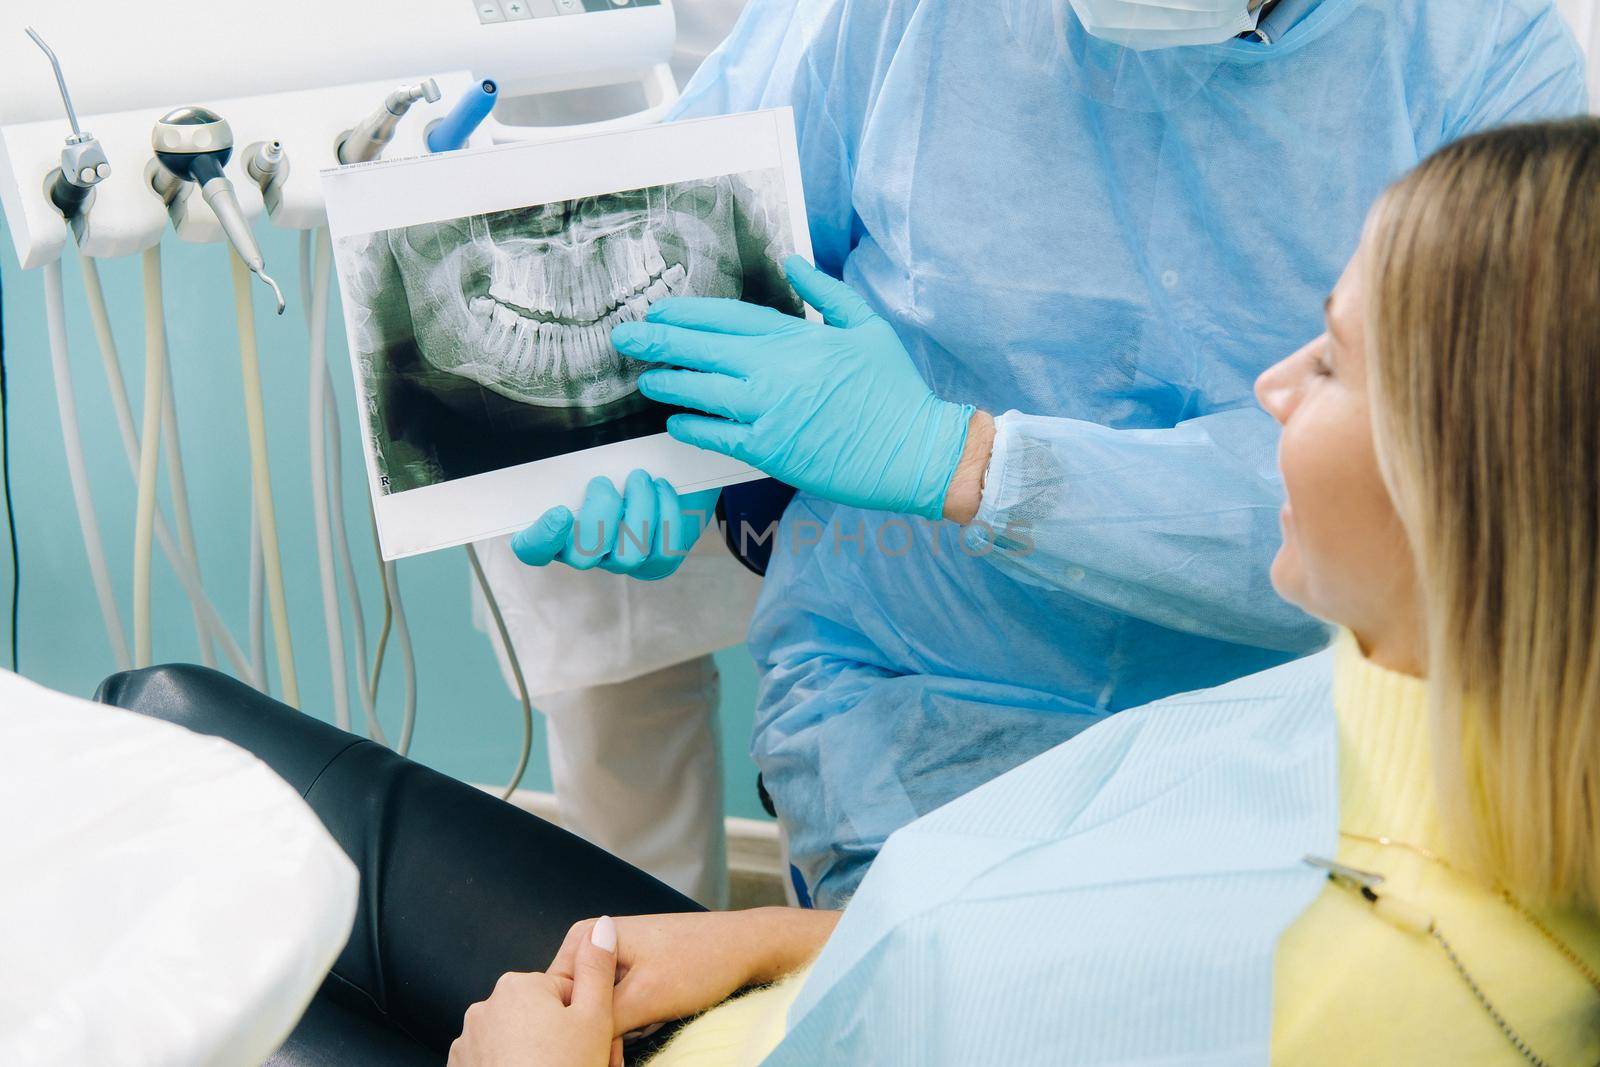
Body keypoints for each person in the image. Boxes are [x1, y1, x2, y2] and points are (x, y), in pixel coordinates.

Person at [446, 114, 1600, 1066]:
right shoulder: (1367, 712)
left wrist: (977, 462)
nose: (1268, 387)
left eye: (1335, 360)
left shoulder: (1360, 1001)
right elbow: (1063, 932)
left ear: (1481, 480)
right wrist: (773, 941)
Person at [466, 0, 762, 910]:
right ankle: (660, 1032)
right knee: (622, 714)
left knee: (885, 661)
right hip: (513, 223)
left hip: (782, 181)